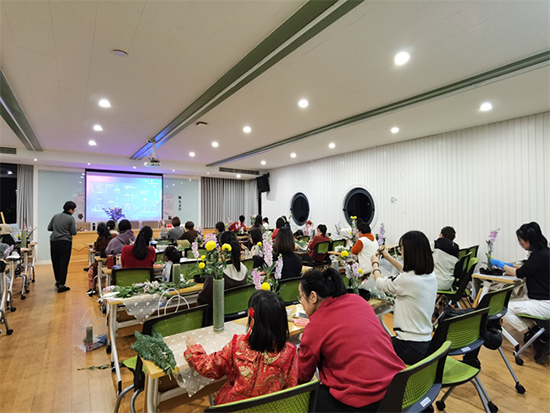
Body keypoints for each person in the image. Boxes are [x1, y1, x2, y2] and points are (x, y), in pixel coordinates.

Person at [297, 268, 405, 412]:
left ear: (313, 297)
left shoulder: (315, 326)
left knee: (308, 399)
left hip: (364, 401)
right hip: (398, 388)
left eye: (301, 297)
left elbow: (302, 376)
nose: (301, 303)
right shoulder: (357, 300)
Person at [185, 290, 298, 405]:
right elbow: (290, 389)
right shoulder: (290, 353)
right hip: (268, 407)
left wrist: (194, 349)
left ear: (252, 318)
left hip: (234, 406)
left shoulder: (238, 345)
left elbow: (210, 367)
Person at [372, 231, 437, 365]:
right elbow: (406, 272)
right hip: (425, 343)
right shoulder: (430, 275)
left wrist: (375, 265)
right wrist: (388, 257)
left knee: (371, 348)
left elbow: (379, 283)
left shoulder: (406, 281)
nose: (401, 252)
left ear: (409, 252)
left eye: (401, 248)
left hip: (408, 346)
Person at [491, 222, 550, 364]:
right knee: (519, 301)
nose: (521, 244)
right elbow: (528, 267)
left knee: (504, 308)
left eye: (521, 241)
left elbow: (519, 273)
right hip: (544, 302)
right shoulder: (545, 252)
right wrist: (511, 265)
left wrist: (501, 265)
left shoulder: (538, 256)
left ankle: (530, 334)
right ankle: (536, 332)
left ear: (529, 240)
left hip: (543, 304)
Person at [198, 231, 248, 325]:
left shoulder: (216, 273)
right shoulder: (244, 269)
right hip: (239, 320)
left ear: (221, 249)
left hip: (218, 322)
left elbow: (203, 301)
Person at [47, 201, 77, 293]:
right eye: (74, 209)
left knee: (55, 262)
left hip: (54, 241)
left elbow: (49, 228)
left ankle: (58, 281)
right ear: (70, 210)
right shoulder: (71, 219)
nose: (74, 211)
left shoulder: (55, 216)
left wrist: (58, 229)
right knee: (64, 263)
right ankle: (61, 284)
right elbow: (74, 232)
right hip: (65, 242)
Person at [86, 222, 112, 296]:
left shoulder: (100, 239)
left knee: (91, 270)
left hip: (102, 262)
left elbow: (96, 249)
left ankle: (92, 288)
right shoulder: (112, 238)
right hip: (111, 261)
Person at [433, 226, 459, 290]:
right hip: (449, 283)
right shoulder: (456, 248)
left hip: (435, 282)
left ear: (441, 235)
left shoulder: (435, 244)